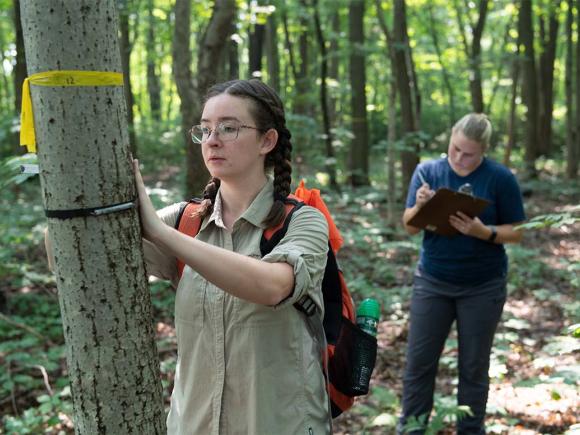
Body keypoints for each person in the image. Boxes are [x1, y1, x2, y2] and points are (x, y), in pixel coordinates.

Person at [136, 79, 331, 434]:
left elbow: (272, 286)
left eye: (229, 128)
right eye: (205, 129)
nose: (212, 140)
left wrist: (161, 234)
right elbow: (65, 256)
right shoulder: (186, 222)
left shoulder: (303, 221)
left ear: (267, 141)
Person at [398, 113, 526, 435]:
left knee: (473, 367)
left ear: (484, 150)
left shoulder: (499, 177)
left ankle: (470, 430)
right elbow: (410, 227)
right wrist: (420, 206)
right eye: (455, 148)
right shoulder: (428, 171)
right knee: (419, 364)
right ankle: (412, 429)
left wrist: (484, 232)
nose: (459, 158)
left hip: (483, 286)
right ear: (450, 139)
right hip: (433, 280)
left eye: (469, 153)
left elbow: (517, 232)